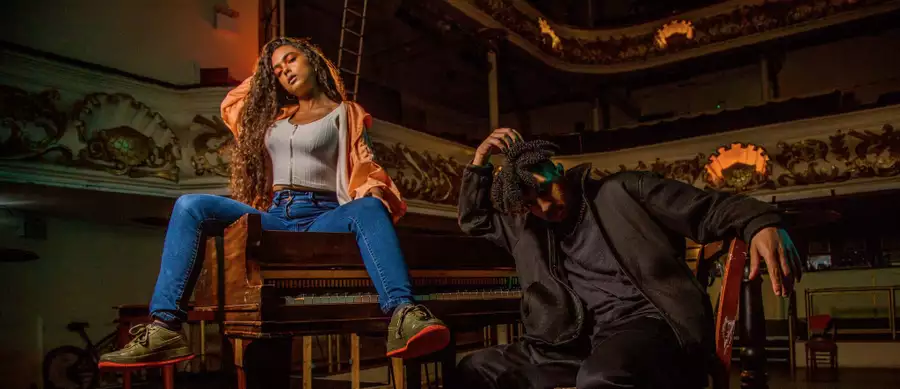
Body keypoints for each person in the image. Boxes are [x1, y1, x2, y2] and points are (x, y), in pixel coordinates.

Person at [99, 37, 450, 366]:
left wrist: (372, 188)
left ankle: (405, 313)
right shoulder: (272, 120)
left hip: (324, 215)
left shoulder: (347, 113)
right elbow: (231, 104)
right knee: (190, 205)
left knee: (372, 207)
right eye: (278, 71)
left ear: (312, 59)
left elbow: (364, 160)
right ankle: (165, 328)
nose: (285, 72)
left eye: (291, 60)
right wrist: (263, 70)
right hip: (277, 215)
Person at [455, 128, 802, 389]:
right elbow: (474, 220)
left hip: (649, 325)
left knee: (600, 377)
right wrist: (479, 163)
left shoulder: (623, 191)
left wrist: (760, 222)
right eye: (531, 203)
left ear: (557, 170)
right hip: (568, 344)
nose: (544, 208)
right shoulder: (526, 226)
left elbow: (707, 209)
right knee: (475, 369)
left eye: (545, 191)